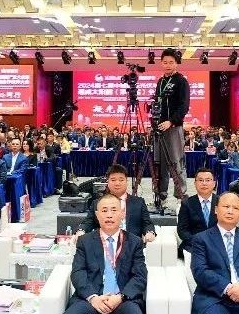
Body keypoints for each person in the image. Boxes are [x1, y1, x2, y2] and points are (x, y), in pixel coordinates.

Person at [151, 48, 190, 211]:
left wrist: (171, 121)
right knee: (160, 165)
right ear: (161, 63)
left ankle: (181, 199)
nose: (168, 65)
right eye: (165, 62)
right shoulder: (160, 82)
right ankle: (161, 197)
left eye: (171, 62)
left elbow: (184, 106)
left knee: (176, 163)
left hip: (173, 128)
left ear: (176, 64)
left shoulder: (181, 81)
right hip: (159, 129)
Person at [78, 165, 157, 242]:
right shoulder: (97, 203)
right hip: (104, 245)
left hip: (132, 245)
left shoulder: (138, 202)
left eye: (121, 180)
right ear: (107, 182)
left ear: (126, 181)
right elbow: (88, 222)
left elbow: (147, 223)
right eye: (113, 180)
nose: (117, 183)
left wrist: (150, 232)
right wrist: (81, 230)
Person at [177, 168, 217, 257]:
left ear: (214, 184)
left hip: (217, 245)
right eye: (200, 180)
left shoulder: (222, 202)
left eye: (208, 180)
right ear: (195, 184)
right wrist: (199, 242)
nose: (204, 183)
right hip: (193, 245)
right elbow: (182, 230)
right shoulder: (187, 203)